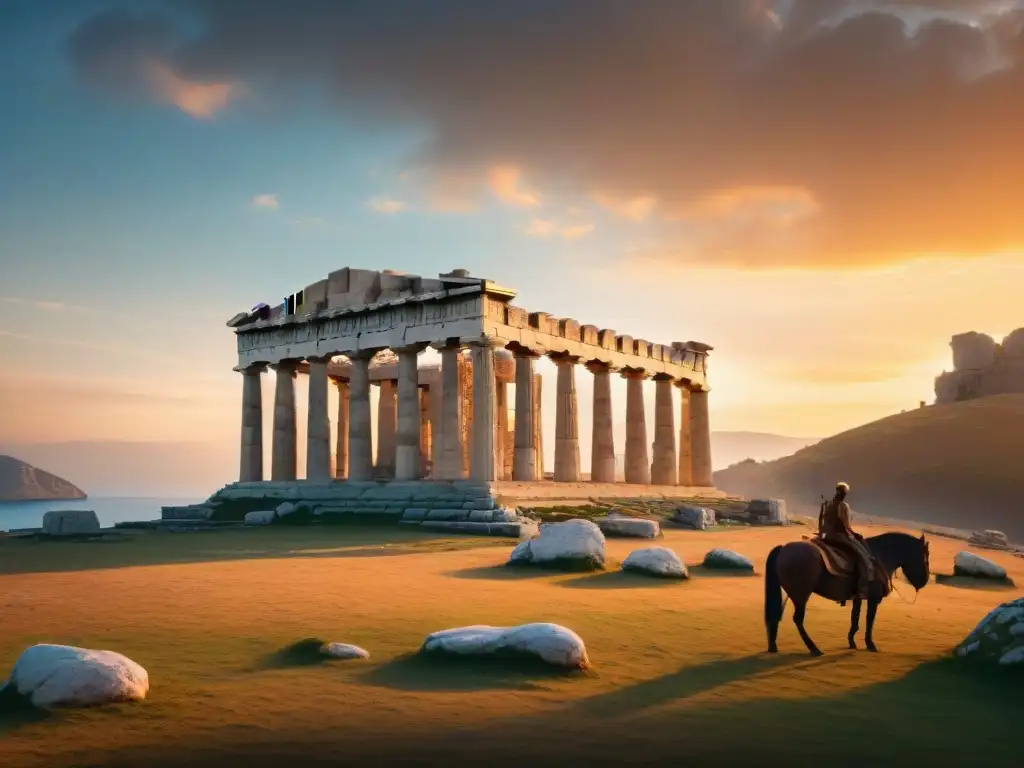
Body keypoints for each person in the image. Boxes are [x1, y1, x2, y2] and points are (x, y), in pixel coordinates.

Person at [817, 482, 874, 600]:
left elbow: (820, 521)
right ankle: (862, 589)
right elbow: (846, 525)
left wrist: (821, 533)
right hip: (839, 537)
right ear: (844, 493)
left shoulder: (826, 504)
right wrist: (854, 535)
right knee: (864, 557)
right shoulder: (843, 506)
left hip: (825, 536)